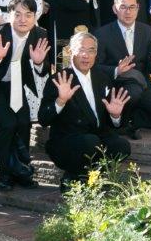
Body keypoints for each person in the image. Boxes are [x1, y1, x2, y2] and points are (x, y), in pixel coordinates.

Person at [0, 0, 50, 192]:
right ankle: (4, 175)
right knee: (8, 124)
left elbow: (44, 70)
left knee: (23, 122)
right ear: (9, 15)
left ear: (35, 17)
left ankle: (21, 171)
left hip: (16, 84)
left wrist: (39, 63)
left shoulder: (40, 34)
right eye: (18, 14)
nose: (23, 19)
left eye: (28, 15)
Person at [38, 32, 131, 191]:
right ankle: (73, 175)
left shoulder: (102, 78)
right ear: (71, 51)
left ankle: (93, 174)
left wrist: (115, 115)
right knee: (90, 143)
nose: (85, 55)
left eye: (91, 50)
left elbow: (112, 122)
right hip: (67, 140)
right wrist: (60, 101)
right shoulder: (60, 78)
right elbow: (43, 119)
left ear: (96, 54)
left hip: (97, 137)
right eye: (81, 50)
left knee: (122, 146)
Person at [93, 0, 151, 135]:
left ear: (138, 8)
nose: (128, 12)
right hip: (118, 84)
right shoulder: (102, 34)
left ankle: (134, 119)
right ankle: (119, 122)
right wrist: (116, 70)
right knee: (134, 91)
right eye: (123, 7)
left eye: (132, 7)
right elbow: (95, 67)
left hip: (144, 83)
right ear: (115, 9)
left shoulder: (147, 31)